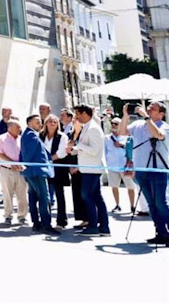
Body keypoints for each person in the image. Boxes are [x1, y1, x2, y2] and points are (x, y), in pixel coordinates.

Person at [119, 100, 168, 245]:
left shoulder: (164, 126)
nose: (148, 110)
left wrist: (146, 117)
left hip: (158, 169)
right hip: (141, 169)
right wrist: (125, 116)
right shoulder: (138, 124)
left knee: (160, 203)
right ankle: (161, 232)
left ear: (161, 114)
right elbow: (122, 133)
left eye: (152, 109)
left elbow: (158, 135)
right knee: (151, 204)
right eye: (148, 108)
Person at [69, 104, 110, 236]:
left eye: (78, 114)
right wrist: (74, 150)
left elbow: (94, 150)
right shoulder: (87, 127)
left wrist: (77, 145)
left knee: (87, 196)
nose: (76, 117)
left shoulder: (93, 129)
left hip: (92, 169)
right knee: (96, 197)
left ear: (85, 114)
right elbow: (86, 149)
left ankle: (94, 226)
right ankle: (103, 227)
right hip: (88, 168)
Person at [20, 115, 56, 234]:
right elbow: (28, 154)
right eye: (37, 122)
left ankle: (37, 223)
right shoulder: (31, 135)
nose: (40, 124)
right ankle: (46, 224)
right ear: (29, 123)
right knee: (44, 198)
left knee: (33, 197)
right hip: (36, 172)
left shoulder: (28, 134)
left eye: (40, 122)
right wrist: (25, 166)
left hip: (33, 171)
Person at [0, 119, 28, 225]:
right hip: (6, 170)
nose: (20, 129)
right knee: (7, 194)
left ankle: (22, 216)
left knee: (22, 194)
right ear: (10, 128)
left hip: (20, 171)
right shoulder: (1, 138)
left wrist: (20, 165)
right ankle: (8, 216)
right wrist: (12, 163)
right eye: (17, 127)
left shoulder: (21, 139)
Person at [40, 114, 70, 227]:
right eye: (50, 121)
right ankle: (45, 221)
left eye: (55, 122)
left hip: (58, 167)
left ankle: (61, 221)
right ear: (46, 123)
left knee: (59, 194)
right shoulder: (41, 136)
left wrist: (49, 159)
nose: (52, 123)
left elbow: (62, 152)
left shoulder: (62, 136)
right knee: (44, 194)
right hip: (44, 168)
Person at [59, 108, 87, 226]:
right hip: (73, 166)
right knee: (76, 193)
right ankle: (82, 218)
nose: (75, 122)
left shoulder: (84, 133)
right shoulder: (71, 133)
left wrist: (77, 165)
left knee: (84, 193)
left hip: (82, 167)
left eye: (76, 119)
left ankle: (88, 218)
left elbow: (82, 150)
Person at [104, 117, 137, 213]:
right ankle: (117, 204)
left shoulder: (127, 137)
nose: (113, 125)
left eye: (116, 124)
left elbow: (131, 150)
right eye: (112, 123)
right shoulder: (106, 138)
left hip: (125, 166)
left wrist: (121, 145)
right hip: (112, 165)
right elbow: (105, 152)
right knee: (114, 186)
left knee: (130, 186)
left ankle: (132, 205)